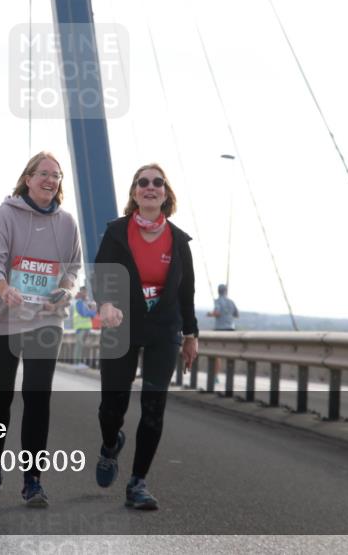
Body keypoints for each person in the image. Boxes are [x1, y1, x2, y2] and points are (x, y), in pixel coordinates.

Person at [0, 151, 81, 507]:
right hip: (1, 318)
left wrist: (65, 289)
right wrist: (3, 288)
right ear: (28, 179)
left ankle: (32, 480)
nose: (50, 180)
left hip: (45, 319)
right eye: (44, 174)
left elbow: (73, 268)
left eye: (57, 175)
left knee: (37, 396)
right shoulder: (6, 215)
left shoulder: (67, 223)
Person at [92, 164, 198, 511]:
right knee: (112, 408)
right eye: (143, 182)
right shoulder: (117, 232)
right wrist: (105, 304)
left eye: (157, 182)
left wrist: (191, 335)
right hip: (121, 325)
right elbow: (101, 276)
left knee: (154, 407)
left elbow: (186, 293)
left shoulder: (179, 241)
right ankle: (110, 445)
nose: (150, 187)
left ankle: (137, 482)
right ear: (134, 192)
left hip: (163, 330)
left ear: (166, 193)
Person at [72, 285, 96, 366]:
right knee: (79, 346)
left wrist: (92, 311)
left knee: (83, 346)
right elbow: (83, 313)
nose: (85, 293)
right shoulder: (79, 302)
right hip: (80, 328)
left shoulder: (87, 302)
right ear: (80, 292)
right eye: (83, 292)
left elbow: (93, 314)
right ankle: (77, 363)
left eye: (86, 292)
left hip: (87, 328)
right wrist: (92, 312)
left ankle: (80, 363)